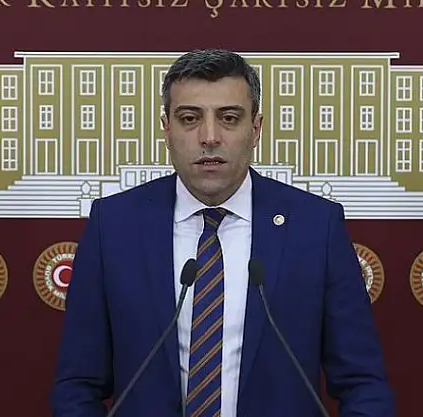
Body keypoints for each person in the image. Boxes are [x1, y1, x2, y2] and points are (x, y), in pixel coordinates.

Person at [51, 49, 395, 417]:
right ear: (166, 129)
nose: (210, 137)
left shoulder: (315, 227)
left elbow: (363, 383)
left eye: (229, 118)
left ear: (255, 129)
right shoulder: (114, 225)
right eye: (190, 118)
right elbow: (78, 384)